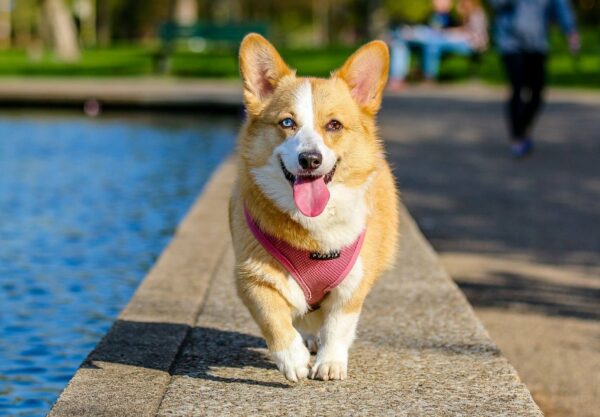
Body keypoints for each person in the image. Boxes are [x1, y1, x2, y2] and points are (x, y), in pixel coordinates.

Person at [489, 0, 580, 157]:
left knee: (537, 93)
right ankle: (517, 137)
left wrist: (570, 31)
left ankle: (523, 128)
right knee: (517, 87)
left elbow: (560, 6)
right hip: (511, 43)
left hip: (537, 43)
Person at [388, 0, 488, 89]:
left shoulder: (476, 13)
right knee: (400, 42)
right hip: (450, 39)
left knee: (432, 43)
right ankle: (398, 78)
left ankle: (427, 76)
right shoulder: (436, 13)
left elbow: (472, 35)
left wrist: (450, 32)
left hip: (472, 45)